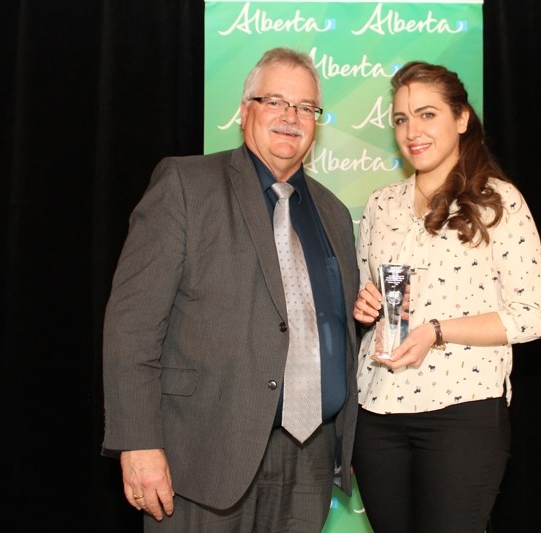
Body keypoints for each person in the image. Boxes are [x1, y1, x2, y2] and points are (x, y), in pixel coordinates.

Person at [102, 47, 359, 532]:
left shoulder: (334, 214)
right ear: (245, 111)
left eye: (305, 107)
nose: (291, 117)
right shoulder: (185, 184)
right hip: (201, 456)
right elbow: (131, 326)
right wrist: (137, 442)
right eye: (275, 101)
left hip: (309, 461)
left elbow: (332, 327)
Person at [351, 61, 541, 533]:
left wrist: (437, 331)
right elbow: (371, 296)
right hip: (377, 411)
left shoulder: (497, 202)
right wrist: (363, 309)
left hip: (462, 412)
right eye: (401, 119)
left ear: (461, 119)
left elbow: (533, 316)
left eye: (427, 114)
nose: (411, 131)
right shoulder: (380, 204)